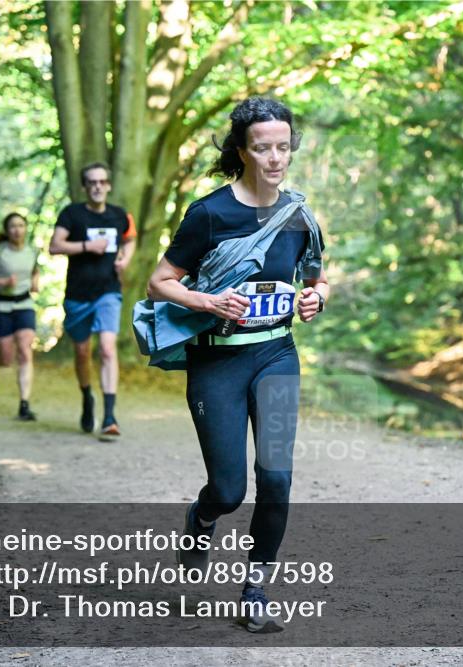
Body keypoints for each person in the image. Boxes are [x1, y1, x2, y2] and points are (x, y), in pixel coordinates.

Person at [146, 97, 329, 633]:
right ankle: (201, 519)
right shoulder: (209, 213)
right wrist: (209, 302)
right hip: (217, 363)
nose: (275, 158)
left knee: (276, 478)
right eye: (261, 147)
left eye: (282, 146)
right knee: (229, 490)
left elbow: (316, 278)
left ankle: (256, 588)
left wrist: (316, 299)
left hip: (276, 355)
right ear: (242, 151)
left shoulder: (298, 214)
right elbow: (160, 281)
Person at [49, 162, 136, 440]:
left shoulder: (119, 215)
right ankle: (87, 396)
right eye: (92, 182)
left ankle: (109, 416)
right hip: (77, 295)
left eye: (102, 182)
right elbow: (54, 245)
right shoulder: (72, 214)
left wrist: (125, 259)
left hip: (109, 291)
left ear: (108, 185)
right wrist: (87, 246)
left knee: (108, 350)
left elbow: (131, 238)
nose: (97, 186)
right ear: (85, 187)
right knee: (83, 353)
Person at [0, 212, 40, 421]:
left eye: (21, 225)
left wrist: (35, 282)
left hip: (24, 304)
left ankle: (24, 404)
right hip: (0, 305)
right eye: (12, 226)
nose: (17, 230)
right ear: (7, 230)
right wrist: (1, 282)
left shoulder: (32, 251)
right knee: (6, 358)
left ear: (26, 228)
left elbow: (34, 270)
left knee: (24, 350)